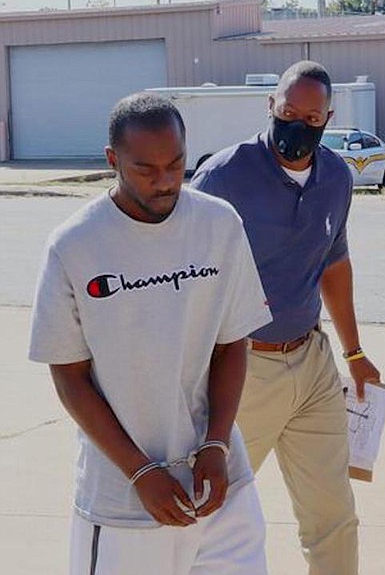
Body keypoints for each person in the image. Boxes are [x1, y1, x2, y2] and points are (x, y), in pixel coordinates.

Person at [28, 92, 272, 575]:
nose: (165, 182)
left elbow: (230, 344)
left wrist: (217, 446)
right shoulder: (75, 245)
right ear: (112, 160)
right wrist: (140, 471)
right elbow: (70, 376)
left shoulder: (219, 224)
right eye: (145, 169)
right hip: (125, 503)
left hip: (221, 489)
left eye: (176, 164)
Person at [191, 60, 381, 575]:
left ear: (328, 118)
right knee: (214, 513)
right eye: (288, 111)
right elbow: (187, 277)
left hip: (312, 362)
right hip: (244, 370)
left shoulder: (336, 176)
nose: (297, 124)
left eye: (312, 116)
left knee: (333, 513)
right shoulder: (224, 176)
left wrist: (355, 352)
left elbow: (334, 263)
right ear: (270, 106)